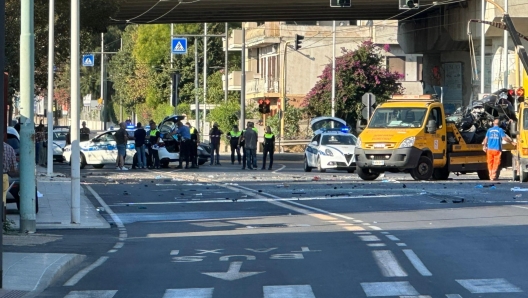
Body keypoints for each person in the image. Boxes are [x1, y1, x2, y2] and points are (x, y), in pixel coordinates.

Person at [3, 142, 18, 221]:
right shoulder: (9, 148)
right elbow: (14, 168)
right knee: (3, 197)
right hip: (4, 175)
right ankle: (3, 220)